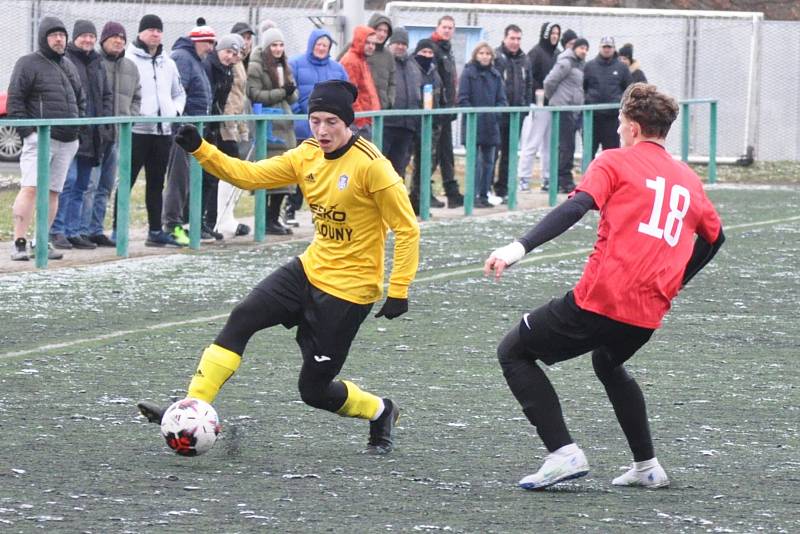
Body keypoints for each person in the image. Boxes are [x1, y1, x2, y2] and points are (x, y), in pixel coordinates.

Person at [137, 80, 420, 456]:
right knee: (242, 318)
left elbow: (407, 229)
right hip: (308, 269)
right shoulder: (306, 155)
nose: (321, 130)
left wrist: (399, 289)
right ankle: (190, 409)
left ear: (348, 122)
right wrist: (201, 149)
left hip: (348, 291)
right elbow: (249, 176)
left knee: (315, 391)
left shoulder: (373, 167)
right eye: (315, 120)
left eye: (331, 121)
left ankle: (381, 410)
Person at [484, 83, 725, 491]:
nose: (617, 131)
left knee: (513, 351)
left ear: (632, 127)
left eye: (619, 123)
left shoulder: (614, 161)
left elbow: (576, 206)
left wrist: (517, 247)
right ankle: (646, 465)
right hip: (648, 311)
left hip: (603, 298)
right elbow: (715, 237)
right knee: (607, 361)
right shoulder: (688, 178)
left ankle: (563, 453)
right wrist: (676, 282)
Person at [8, 16, 84, 261]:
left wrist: (77, 129)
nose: (59, 39)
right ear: (44, 37)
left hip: (67, 140)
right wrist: (28, 133)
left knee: (53, 192)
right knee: (30, 188)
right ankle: (19, 242)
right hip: (40, 139)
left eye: (62, 35)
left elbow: (80, 99)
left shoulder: (68, 65)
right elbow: (15, 100)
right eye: (54, 35)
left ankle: (41, 240)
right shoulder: (28, 63)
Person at [116, 14, 185, 248]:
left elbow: (179, 92)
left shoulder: (168, 62)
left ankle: (155, 230)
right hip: (136, 131)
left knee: (156, 183)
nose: (155, 34)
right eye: (151, 29)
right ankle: (118, 229)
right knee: (127, 180)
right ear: (140, 32)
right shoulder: (128, 59)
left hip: (163, 132)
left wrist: (173, 112)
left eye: (159, 30)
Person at [50, 20, 114, 251]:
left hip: (94, 135)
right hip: (73, 134)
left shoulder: (98, 63)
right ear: (74, 38)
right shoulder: (66, 61)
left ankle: (73, 231)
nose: (88, 40)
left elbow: (106, 96)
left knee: (81, 185)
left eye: (91, 36)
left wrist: (105, 124)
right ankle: (56, 230)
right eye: (83, 36)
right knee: (66, 182)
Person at [79, 20, 141, 248]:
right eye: (114, 37)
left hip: (117, 137)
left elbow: (137, 97)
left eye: (122, 38)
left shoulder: (131, 67)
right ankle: (82, 229)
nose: (118, 41)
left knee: (106, 186)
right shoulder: (95, 64)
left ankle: (96, 229)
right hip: (96, 136)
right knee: (90, 185)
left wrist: (130, 117)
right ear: (103, 40)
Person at [287, 28, 349, 227]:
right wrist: (301, 113)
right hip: (302, 128)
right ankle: (291, 208)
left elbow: (346, 94)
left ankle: (322, 211)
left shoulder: (337, 68)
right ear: (312, 45)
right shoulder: (296, 64)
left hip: (330, 133)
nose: (322, 48)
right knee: (301, 170)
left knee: (327, 173)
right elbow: (290, 91)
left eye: (325, 45)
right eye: (319, 44)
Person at [162, 18, 215, 245]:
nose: (211, 48)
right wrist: (180, 124)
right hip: (181, 132)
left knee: (188, 179)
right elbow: (177, 92)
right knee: (178, 179)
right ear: (198, 41)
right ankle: (171, 224)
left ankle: (181, 222)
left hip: (192, 132)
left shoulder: (195, 59)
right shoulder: (183, 58)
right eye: (208, 43)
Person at [247, 26, 299, 236]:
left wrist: (290, 89)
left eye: (281, 45)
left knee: (286, 175)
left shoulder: (284, 65)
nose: (278, 49)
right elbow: (255, 94)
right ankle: (265, 219)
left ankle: (273, 217)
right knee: (267, 174)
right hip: (267, 126)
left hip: (284, 125)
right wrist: (281, 92)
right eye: (274, 45)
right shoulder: (256, 67)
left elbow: (292, 97)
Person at [200, 34, 243, 241]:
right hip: (206, 126)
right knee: (202, 176)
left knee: (211, 175)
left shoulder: (228, 70)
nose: (230, 57)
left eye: (234, 54)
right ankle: (197, 221)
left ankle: (209, 221)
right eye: (227, 52)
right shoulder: (210, 66)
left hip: (215, 127)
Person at [214, 23, 255, 239]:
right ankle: (221, 220)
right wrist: (231, 125)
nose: (246, 42)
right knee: (228, 170)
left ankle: (225, 217)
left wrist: (242, 126)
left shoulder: (240, 64)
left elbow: (240, 98)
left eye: (249, 38)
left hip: (234, 123)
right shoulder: (231, 64)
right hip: (225, 125)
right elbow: (229, 98)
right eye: (243, 37)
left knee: (233, 171)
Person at [458, 42, 507, 208]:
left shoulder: (495, 75)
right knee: (475, 163)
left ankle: (484, 194)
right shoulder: (468, 73)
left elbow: (502, 100)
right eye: (481, 53)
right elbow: (462, 99)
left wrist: (495, 114)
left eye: (488, 53)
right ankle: (473, 196)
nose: (485, 56)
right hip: (473, 126)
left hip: (490, 126)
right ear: (475, 55)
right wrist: (475, 114)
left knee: (489, 162)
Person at [517, 22, 560, 192]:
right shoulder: (536, 53)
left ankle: (547, 178)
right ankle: (524, 177)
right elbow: (529, 76)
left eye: (557, 33)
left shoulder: (558, 54)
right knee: (532, 142)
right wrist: (538, 90)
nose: (555, 36)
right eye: (552, 33)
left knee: (549, 144)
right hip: (538, 103)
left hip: (553, 105)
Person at [543, 37, 588, 194]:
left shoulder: (579, 64)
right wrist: (554, 100)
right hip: (563, 108)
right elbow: (549, 82)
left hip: (573, 109)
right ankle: (562, 180)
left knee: (568, 146)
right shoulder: (566, 62)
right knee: (565, 146)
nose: (583, 51)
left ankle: (563, 179)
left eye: (585, 49)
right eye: (581, 48)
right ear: (575, 48)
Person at [493, 24, 532, 202]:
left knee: (510, 154)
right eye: (512, 38)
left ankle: (504, 188)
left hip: (517, 115)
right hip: (499, 114)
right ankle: (486, 189)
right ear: (505, 38)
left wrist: (525, 108)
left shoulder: (525, 59)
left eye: (518, 39)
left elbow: (529, 84)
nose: (515, 42)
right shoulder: (496, 57)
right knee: (493, 153)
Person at [407, 39, 444, 215]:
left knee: (426, 165)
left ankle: (419, 201)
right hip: (413, 124)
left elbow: (440, 96)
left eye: (430, 53)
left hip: (432, 125)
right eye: (424, 53)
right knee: (407, 165)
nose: (427, 56)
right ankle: (410, 202)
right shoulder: (412, 69)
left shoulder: (435, 73)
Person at [430, 15, 464, 208]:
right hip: (436, 111)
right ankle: (425, 192)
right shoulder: (432, 48)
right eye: (444, 27)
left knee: (446, 153)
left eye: (450, 28)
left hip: (447, 110)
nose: (447, 30)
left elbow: (451, 80)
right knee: (432, 154)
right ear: (438, 27)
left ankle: (452, 193)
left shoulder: (448, 50)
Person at [583, 36, 632, 160]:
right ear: (600, 48)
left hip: (612, 119)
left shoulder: (622, 68)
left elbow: (629, 89)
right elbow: (583, 87)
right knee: (588, 154)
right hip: (592, 118)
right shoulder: (589, 66)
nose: (606, 50)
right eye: (604, 47)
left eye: (609, 47)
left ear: (614, 48)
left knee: (612, 155)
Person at [382, 28, 420, 179]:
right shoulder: (385, 62)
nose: (400, 46)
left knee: (399, 169)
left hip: (406, 125)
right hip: (387, 124)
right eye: (397, 42)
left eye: (404, 43)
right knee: (380, 166)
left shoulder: (412, 65)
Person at [339, 25, 380, 140]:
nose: (371, 47)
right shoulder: (351, 61)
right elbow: (350, 94)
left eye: (373, 44)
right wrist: (361, 121)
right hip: (359, 123)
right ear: (359, 41)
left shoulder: (361, 60)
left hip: (366, 120)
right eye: (368, 43)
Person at [366, 13, 395, 111]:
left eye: (385, 31)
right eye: (379, 30)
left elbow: (392, 82)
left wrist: (389, 101)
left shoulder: (388, 55)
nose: (382, 34)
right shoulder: (356, 48)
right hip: (360, 110)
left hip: (380, 110)